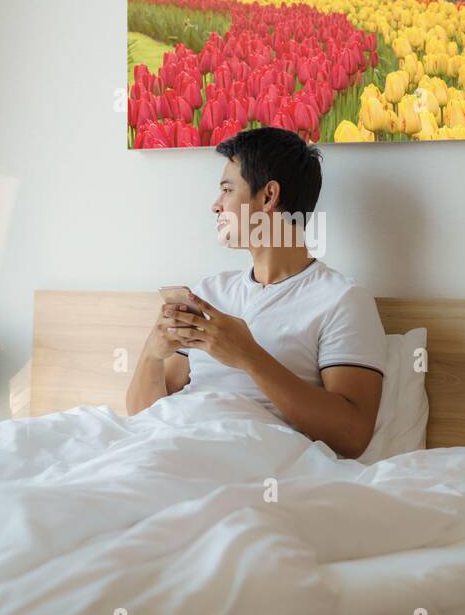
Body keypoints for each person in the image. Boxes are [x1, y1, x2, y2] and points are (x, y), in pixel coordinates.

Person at [125, 128, 386, 459]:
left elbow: (352, 436)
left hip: (246, 457)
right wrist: (152, 352)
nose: (215, 206)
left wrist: (248, 356)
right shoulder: (209, 293)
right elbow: (141, 418)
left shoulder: (342, 300)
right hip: (170, 444)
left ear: (268, 197)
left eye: (227, 189)